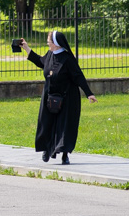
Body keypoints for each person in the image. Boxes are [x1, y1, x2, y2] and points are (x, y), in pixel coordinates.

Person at [21, 31, 97, 165]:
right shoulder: (50, 54)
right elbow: (41, 62)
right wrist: (26, 48)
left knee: (64, 125)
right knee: (46, 122)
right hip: (49, 95)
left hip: (67, 97)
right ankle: (47, 148)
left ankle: (65, 155)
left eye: (48, 40)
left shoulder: (67, 59)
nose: (47, 42)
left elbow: (78, 76)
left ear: (56, 43)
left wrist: (89, 93)